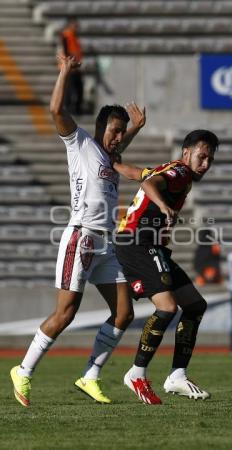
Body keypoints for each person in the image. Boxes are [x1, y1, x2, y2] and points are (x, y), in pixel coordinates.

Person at [10, 54, 146, 407]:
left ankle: (90, 375)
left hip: (106, 244)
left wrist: (136, 129)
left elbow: (117, 149)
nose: (118, 137)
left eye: (121, 132)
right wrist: (64, 72)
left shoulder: (109, 157)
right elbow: (56, 110)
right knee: (66, 313)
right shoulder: (82, 143)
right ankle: (22, 372)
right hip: (82, 237)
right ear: (101, 128)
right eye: (114, 131)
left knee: (124, 313)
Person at [115, 129, 219, 404]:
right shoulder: (180, 173)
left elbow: (139, 174)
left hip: (151, 246)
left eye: (210, 159)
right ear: (186, 153)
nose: (205, 164)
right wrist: (163, 207)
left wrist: (113, 163)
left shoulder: (172, 170)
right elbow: (150, 184)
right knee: (168, 307)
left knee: (195, 305)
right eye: (202, 156)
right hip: (136, 243)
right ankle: (136, 373)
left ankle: (177, 376)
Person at [60, 18, 84, 114]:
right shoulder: (66, 35)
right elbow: (66, 51)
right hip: (70, 67)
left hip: (75, 66)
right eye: (75, 25)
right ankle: (68, 108)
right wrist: (69, 64)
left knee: (78, 88)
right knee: (69, 88)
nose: (77, 27)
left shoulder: (74, 36)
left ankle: (76, 108)